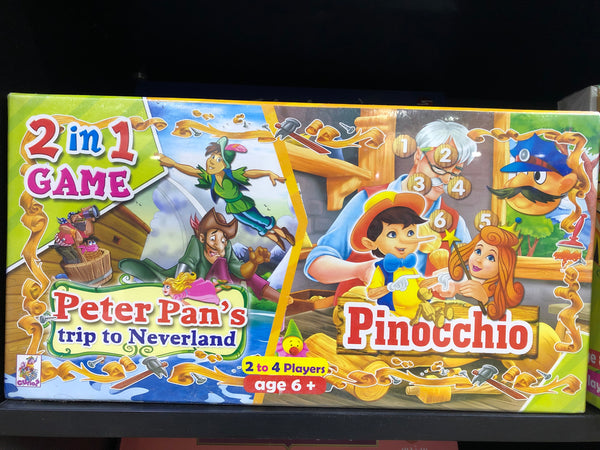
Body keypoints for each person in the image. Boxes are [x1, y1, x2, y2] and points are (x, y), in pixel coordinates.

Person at [305, 120, 478, 302]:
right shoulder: (366, 201)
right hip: (361, 314)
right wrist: (360, 270)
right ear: (418, 155)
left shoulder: (454, 222)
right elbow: (316, 264)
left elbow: (473, 274)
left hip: (422, 317)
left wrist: (455, 283)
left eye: (455, 172)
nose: (446, 180)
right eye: (439, 168)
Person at [155, 137, 295, 251]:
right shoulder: (211, 178)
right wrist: (173, 163)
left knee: (262, 221)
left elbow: (249, 173)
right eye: (212, 157)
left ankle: (283, 234)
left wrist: (268, 173)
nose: (211, 161)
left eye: (217, 159)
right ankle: (276, 239)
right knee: (256, 226)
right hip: (233, 208)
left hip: (243, 204)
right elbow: (193, 171)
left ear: (225, 165)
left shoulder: (231, 175)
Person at [119, 208, 285, 303]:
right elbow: (187, 264)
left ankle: (281, 300)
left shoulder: (226, 249)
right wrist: (179, 286)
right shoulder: (196, 244)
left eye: (223, 240)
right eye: (213, 238)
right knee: (220, 263)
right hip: (194, 288)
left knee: (229, 266)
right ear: (202, 238)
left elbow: (240, 271)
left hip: (220, 287)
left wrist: (253, 263)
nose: (219, 245)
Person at [350, 191, 434, 318]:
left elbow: (421, 284)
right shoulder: (382, 269)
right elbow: (371, 293)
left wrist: (437, 280)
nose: (404, 241)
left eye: (410, 233)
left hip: (418, 313)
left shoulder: (409, 266)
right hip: (395, 317)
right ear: (370, 243)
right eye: (392, 234)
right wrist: (390, 287)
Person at [446, 225, 524, 320]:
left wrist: (484, 299)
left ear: (502, 266)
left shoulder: (497, 291)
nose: (479, 260)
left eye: (490, 258)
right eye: (478, 251)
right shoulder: (456, 277)